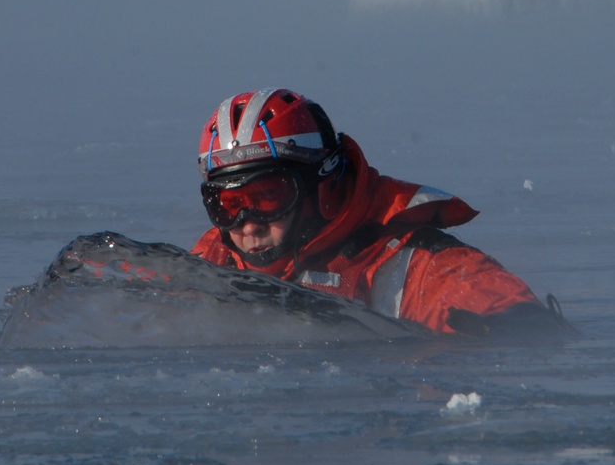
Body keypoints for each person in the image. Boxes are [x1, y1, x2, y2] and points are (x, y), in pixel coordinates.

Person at [192, 87, 569, 340]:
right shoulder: (217, 256)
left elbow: (505, 311)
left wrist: (512, 322)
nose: (247, 224)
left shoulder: (410, 262)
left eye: (269, 195)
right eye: (228, 205)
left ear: (320, 188)